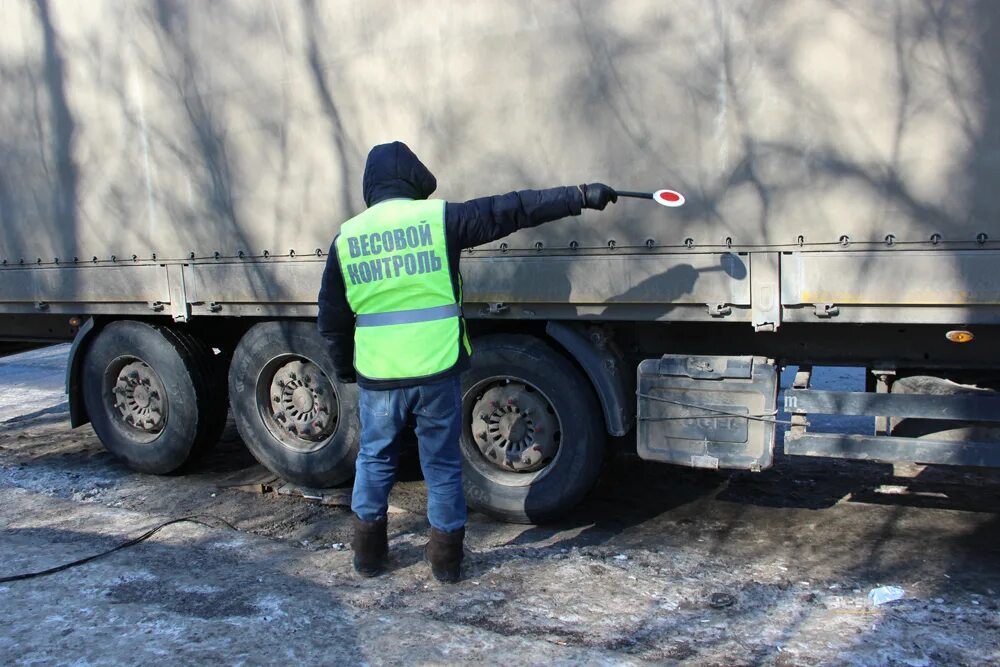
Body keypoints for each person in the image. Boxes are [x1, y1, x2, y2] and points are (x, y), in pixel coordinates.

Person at [317, 141, 617, 582]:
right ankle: (446, 563)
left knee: (375, 460)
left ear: (371, 185)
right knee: (440, 465)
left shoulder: (347, 238)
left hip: (379, 376)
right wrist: (579, 194)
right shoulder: (440, 220)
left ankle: (368, 557)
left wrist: (345, 368)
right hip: (436, 369)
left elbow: (332, 318)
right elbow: (513, 209)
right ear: (412, 180)